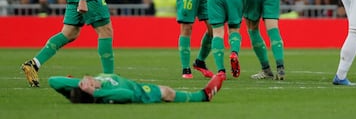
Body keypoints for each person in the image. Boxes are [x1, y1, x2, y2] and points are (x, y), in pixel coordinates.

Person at [48, 72, 224, 104]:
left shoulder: (92, 82)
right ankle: (203, 96)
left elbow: (53, 81)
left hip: (135, 85)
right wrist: (95, 92)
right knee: (166, 92)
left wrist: (77, 83)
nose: (87, 80)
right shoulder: (105, 92)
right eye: (87, 84)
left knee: (166, 91)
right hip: (139, 92)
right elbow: (127, 94)